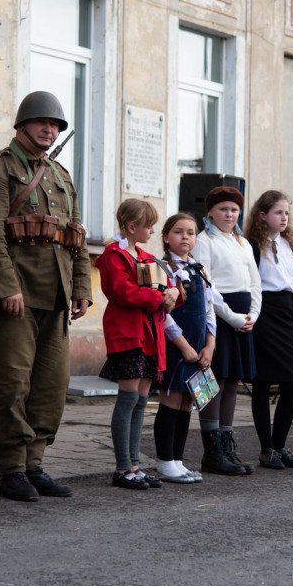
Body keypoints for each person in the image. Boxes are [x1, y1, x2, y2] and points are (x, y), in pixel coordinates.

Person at [0, 91, 92, 501]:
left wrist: (80, 288)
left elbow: (75, 237)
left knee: (51, 387)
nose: (48, 129)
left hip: (55, 297)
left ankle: (34, 463)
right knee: (13, 385)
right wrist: (5, 287)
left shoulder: (60, 175)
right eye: (41, 122)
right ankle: (11, 468)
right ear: (21, 125)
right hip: (17, 296)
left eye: (54, 125)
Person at [97, 200, 191, 490]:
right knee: (128, 400)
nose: (152, 229)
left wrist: (174, 292)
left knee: (141, 400)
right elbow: (122, 292)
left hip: (150, 335)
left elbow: (172, 288)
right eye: (148, 224)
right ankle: (123, 467)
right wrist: (161, 297)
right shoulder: (113, 255)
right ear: (131, 227)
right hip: (127, 333)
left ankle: (135, 466)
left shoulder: (147, 256)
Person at [192, 186, 261, 475]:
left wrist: (253, 314)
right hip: (218, 316)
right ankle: (212, 451)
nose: (229, 214)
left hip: (243, 318)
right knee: (213, 379)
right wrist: (231, 317)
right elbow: (207, 286)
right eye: (223, 209)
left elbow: (255, 282)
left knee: (232, 380)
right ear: (210, 212)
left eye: (234, 210)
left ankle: (227, 445)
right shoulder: (203, 241)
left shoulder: (243, 243)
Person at [245, 191, 293, 470]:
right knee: (263, 382)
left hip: (287, 312)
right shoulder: (253, 245)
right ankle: (267, 448)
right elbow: (252, 285)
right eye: (278, 212)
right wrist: (253, 319)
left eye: (286, 213)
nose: (284, 217)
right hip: (264, 313)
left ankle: (280, 445)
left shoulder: (289, 246)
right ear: (262, 215)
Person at [156, 213, 215, 483]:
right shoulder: (162, 268)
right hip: (176, 345)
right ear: (166, 237)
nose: (186, 237)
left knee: (188, 401)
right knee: (172, 399)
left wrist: (209, 346)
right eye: (179, 232)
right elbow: (164, 314)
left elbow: (209, 310)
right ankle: (165, 461)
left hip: (199, 345)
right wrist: (183, 345)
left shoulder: (200, 269)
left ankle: (178, 460)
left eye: (191, 232)